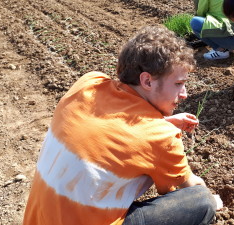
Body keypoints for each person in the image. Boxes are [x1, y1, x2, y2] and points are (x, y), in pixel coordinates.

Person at [23, 25, 222, 225]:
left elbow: (108, 125)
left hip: (38, 218)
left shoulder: (88, 83)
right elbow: (190, 187)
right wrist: (213, 200)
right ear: (147, 81)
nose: (185, 93)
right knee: (201, 202)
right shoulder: (160, 137)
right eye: (179, 84)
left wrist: (161, 122)